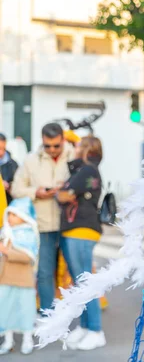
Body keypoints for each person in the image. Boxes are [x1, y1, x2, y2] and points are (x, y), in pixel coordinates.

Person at [11, 123, 75, 312]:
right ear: (42, 141)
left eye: (56, 146)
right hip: (43, 225)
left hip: (70, 224)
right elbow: (16, 189)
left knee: (77, 272)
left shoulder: (76, 156)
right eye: (48, 146)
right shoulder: (31, 160)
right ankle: (49, 315)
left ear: (63, 140)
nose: (52, 150)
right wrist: (36, 192)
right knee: (45, 272)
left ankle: (80, 319)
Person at [56, 136, 105, 351]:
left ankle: (95, 330)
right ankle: (86, 327)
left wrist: (61, 192)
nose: (74, 148)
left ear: (85, 148)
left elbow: (65, 195)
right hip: (78, 230)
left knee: (85, 283)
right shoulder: (87, 170)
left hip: (81, 230)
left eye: (77, 145)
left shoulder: (86, 170)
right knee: (80, 282)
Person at [0, 198, 40, 355]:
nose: (10, 218)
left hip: (23, 280)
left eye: (14, 215)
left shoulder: (29, 234)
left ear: (24, 216)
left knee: (25, 309)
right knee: (5, 309)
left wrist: (6, 250)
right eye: (9, 215)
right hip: (5, 278)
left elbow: (28, 257)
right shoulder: (5, 232)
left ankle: (27, 339)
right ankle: (8, 340)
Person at [0, 133, 19, 205]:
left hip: (7, 204)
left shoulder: (13, 165)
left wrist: (9, 186)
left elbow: (18, 184)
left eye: (3, 149)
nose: (1, 152)